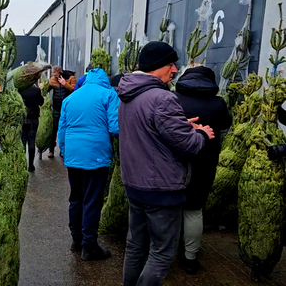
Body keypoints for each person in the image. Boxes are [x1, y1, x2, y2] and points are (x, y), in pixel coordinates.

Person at [117, 41, 215, 286]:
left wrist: (182, 125)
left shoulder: (128, 95)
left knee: (136, 246)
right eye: (171, 65)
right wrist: (201, 133)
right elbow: (188, 145)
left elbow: (150, 131)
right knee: (162, 253)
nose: (175, 70)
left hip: (135, 185)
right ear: (158, 66)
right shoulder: (162, 98)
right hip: (161, 189)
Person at [174, 65, 232, 274]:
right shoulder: (218, 103)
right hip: (205, 163)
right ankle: (190, 258)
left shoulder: (174, 99)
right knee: (194, 210)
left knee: (170, 208)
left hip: (176, 161)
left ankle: (165, 252)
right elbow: (226, 125)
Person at [58, 67, 119, 261]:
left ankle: (76, 240)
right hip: (96, 155)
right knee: (92, 200)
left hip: (73, 156)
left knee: (76, 198)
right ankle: (89, 246)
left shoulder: (70, 98)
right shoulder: (108, 94)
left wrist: (67, 155)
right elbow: (115, 127)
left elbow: (62, 131)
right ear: (104, 79)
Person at [48, 66, 76, 158]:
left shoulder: (70, 78)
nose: (54, 76)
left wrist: (65, 84)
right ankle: (51, 150)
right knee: (54, 128)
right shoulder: (53, 80)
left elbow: (74, 90)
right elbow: (46, 89)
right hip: (56, 108)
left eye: (55, 75)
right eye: (53, 75)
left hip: (67, 109)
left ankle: (63, 150)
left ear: (60, 72)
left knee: (65, 129)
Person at [19, 82, 44, 172]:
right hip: (33, 119)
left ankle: (22, 165)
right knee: (31, 141)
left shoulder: (20, 89)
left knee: (23, 141)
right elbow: (41, 102)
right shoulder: (36, 90)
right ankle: (31, 166)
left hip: (23, 118)